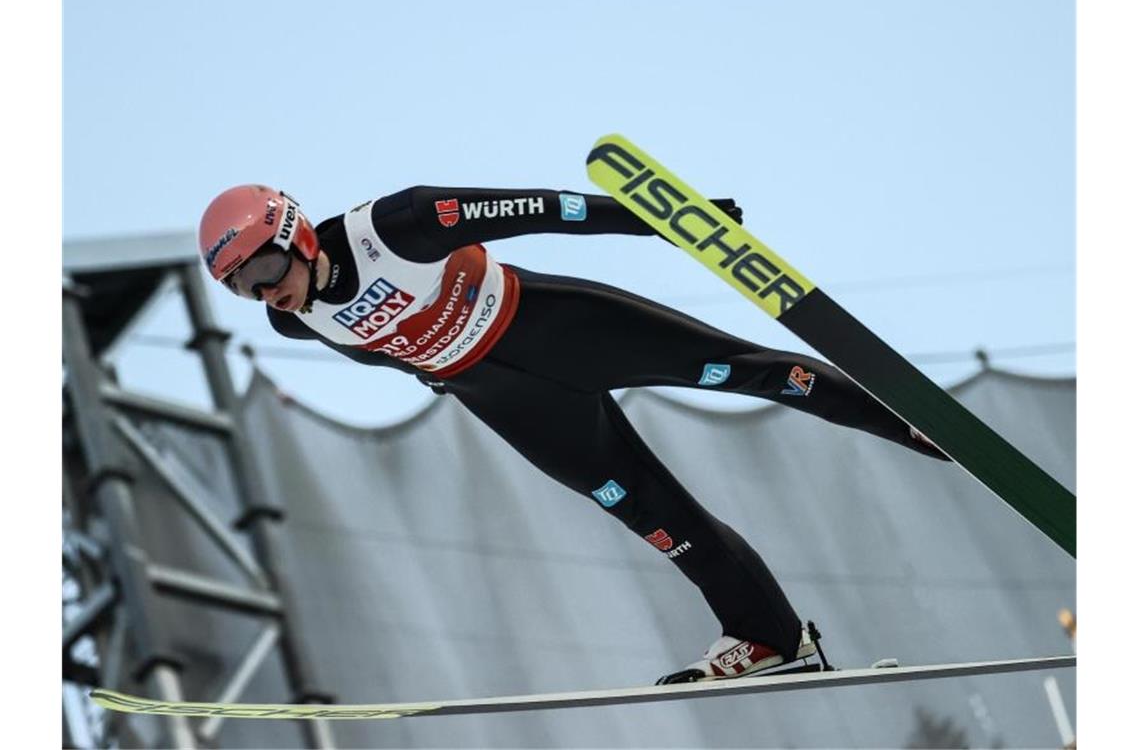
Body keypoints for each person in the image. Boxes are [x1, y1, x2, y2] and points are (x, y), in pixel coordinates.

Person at [198, 183, 947, 684]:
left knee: (747, 371)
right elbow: (399, 349)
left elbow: (553, 209)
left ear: (292, 233)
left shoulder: (397, 225)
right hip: (511, 401)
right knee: (654, 517)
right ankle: (773, 641)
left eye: (263, 267)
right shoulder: (292, 323)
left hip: (560, 329)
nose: (265, 291)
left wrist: (675, 221)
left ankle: (921, 426)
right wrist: (442, 375)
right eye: (241, 287)